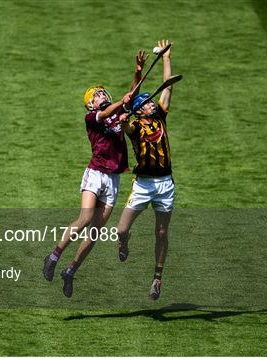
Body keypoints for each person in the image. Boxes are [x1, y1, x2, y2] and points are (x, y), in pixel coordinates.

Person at [43, 51, 148, 298]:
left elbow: (130, 96)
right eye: (96, 95)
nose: (101, 95)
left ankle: (70, 271)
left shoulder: (117, 115)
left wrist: (138, 71)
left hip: (113, 179)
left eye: (103, 92)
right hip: (95, 173)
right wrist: (120, 106)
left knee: (95, 232)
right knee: (84, 219)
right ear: (90, 104)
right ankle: (54, 255)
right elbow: (115, 107)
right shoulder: (92, 117)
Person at [117, 39, 175, 300]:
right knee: (120, 229)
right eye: (148, 102)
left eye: (153, 102)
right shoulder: (135, 127)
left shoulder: (161, 116)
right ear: (140, 109)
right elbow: (126, 124)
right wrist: (124, 116)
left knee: (161, 232)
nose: (153, 103)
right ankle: (124, 244)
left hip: (165, 184)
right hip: (143, 185)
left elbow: (167, 85)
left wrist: (165, 58)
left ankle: (157, 278)